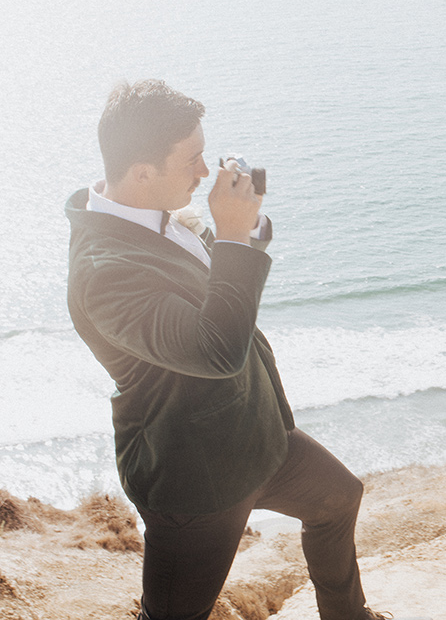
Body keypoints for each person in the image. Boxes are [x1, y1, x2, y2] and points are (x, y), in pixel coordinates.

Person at [66, 79, 392, 620]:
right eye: (193, 160)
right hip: (195, 476)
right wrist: (235, 237)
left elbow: (220, 277)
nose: (204, 173)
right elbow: (215, 350)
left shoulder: (154, 214)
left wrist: (247, 223)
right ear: (143, 173)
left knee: (339, 498)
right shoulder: (104, 272)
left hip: (257, 438)